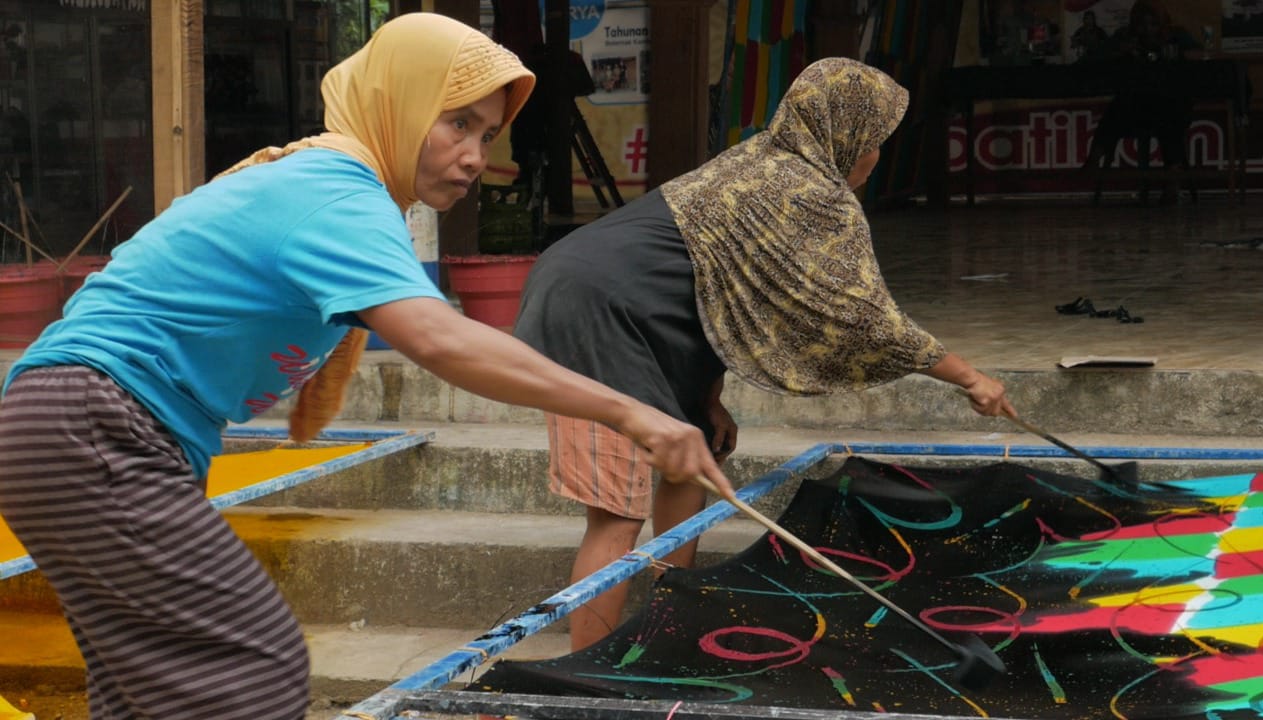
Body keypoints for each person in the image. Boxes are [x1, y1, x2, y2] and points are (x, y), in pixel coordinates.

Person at [0, 13, 732, 720]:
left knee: (149, 692)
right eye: (457, 124)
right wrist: (631, 410)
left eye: (485, 133)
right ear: (400, 104)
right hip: (94, 425)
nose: (476, 155)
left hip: (85, 431)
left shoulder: (335, 192)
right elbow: (442, 340)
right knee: (253, 667)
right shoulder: (334, 193)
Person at [513, 57, 1017, 652]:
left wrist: (709, 398)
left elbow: (727, 288)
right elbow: (866, 319)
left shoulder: (761, 160)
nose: (875, 157)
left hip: (641, 316)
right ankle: (585, 677)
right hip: (591, 313)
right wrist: (971, 379)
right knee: (616, 516)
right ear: (846, 135)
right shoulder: (803, 190)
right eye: (876, 143)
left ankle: (671, 615)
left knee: (690, 454)